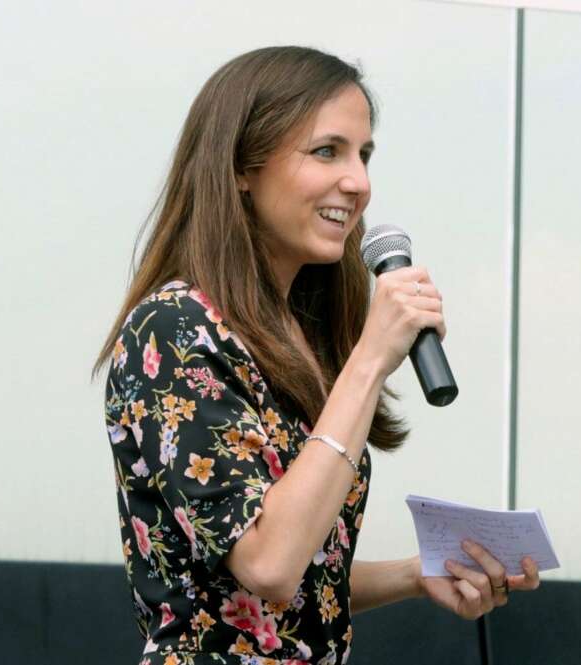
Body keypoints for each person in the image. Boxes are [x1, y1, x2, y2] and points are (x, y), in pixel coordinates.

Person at [94, 46, 540, 665]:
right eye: (327, 151)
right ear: (241, 168)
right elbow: (268, 564)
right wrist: (370, 359)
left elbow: (292, 590)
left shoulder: (294, 336)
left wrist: (418, 574)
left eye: (364, 154)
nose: (357, 182)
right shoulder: (175, 330)